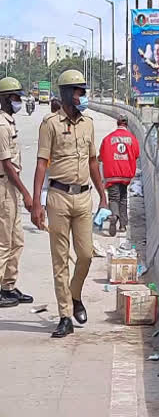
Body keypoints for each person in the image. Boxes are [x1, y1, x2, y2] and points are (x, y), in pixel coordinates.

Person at [31, 70, 108, 338]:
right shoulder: (49, 124)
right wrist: (36, 203)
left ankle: (75, 295)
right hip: (58, 198)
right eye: (77, 91)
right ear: (65, 93)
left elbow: (93, 161)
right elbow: (42, 163)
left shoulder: (88, 124)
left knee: (86, 255)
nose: (81, 96)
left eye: (82, 91)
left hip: (83, 197)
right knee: (60, 259)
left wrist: (103, 194)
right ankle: (65, 314)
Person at [0, 77, 33, 308]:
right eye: (14, 97)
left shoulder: (9, 122)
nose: (18, 101)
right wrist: (26, 193)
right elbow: (8, 165)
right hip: (4, 187)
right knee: (3, 242)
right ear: (4, 99)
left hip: (12, 187)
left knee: (17, 241)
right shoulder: (2, 126)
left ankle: (8, 286)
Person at [99, 115, 140, 236]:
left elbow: (101, 156)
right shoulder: (132, 139)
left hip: (112, 174)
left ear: (117, 123)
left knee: (114, 198)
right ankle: (123, 225)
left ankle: (114, 215)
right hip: (126, 174)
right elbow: (136, 154)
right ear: (127, 124)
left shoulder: (108, 139)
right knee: (123, 197)